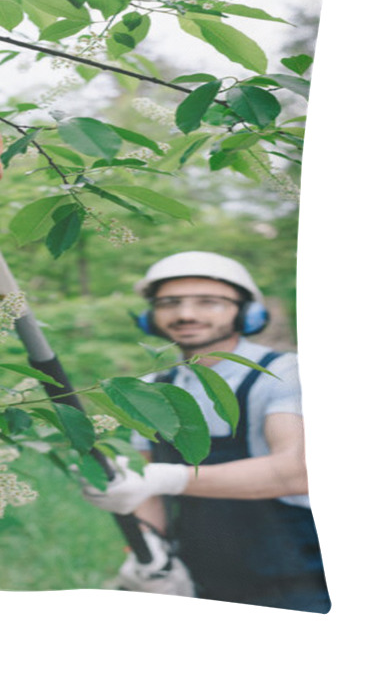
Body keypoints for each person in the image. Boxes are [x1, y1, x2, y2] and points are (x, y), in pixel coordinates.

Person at [81, 251, 330, 612]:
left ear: (246, 313)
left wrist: (166, 477)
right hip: (202, 575)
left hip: (300, 579)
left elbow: (297, 471)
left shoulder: (284, 373)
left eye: (208, 302)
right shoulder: (149, 388)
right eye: (169, 303)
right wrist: (149, 552)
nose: (186, 314)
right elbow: (146, 484)